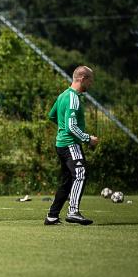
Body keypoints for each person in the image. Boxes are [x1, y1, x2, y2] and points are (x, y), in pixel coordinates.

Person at [45, 66, 98, 226]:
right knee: (80, 173)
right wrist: (88, 138)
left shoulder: (63, 95)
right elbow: (71, 126)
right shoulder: (73, 97)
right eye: (90, 80)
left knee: (67, 181)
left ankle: (52, 216)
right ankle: (73, 212)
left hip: (61, 144)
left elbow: (51, 116)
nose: (91, 84)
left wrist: (62, 128)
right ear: (82, 78)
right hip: (70, 144)